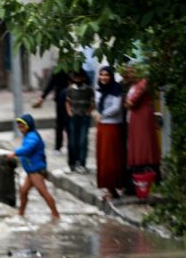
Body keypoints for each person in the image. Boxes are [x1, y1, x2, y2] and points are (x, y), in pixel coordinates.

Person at [7, 114, 60, 219]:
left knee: (43, 192)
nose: (20, 129)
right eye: (19, 126)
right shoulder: (29, 136)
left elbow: (27, 149)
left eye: (22, 126)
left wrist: (14, 153)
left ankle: (56, 214)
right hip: (31, 170)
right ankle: (21, 214)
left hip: (36, 170)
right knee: (23, 191)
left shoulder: (33, 137)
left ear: (28, 126)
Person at [95, 66, 126, 200]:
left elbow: (116, 108)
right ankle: (109, 188)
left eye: (106, 75)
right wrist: (97, 114)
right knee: (102, 158)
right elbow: (96, 106)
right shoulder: (98, 90)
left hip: (113, 127)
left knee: (111, 158)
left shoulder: (116, 89)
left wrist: (102, 114)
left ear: (111, 76)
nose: (104, 77)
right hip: (102, 127)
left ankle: (115, 188)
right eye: (101, 75)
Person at [124, 67, 161, 180]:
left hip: (142, 117)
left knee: (143, 144)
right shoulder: (133, 85)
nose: (131, 74)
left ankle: (146, 170)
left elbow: (130, 103)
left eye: (133, 71)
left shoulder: (143, 83)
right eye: (129, 72)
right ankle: (139, 168)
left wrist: (127, 103)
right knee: (137, 143)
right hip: (136, 117)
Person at [33, 69, 69, 153]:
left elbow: (50, 85)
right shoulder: (59, 69)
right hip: (61, 100)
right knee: (61, 124)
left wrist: (42, 97)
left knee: (67, 124)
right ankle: (58, 147)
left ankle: (64, 147)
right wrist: (42, 97)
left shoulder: (74, 67)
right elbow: (51, 84)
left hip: (71, 100)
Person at [66, 70, 94, 173]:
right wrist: (69, 112)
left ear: (83, 78)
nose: (77, 79)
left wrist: (88, 112)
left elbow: (92, 102)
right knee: (73, 141)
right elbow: (68, 102)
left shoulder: (89, 90)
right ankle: (74, 163)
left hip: (84, 118)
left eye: (79, 77)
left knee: (83, 141)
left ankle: (82, 163)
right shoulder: (70, 89)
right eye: (75, 77)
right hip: (74, 118)